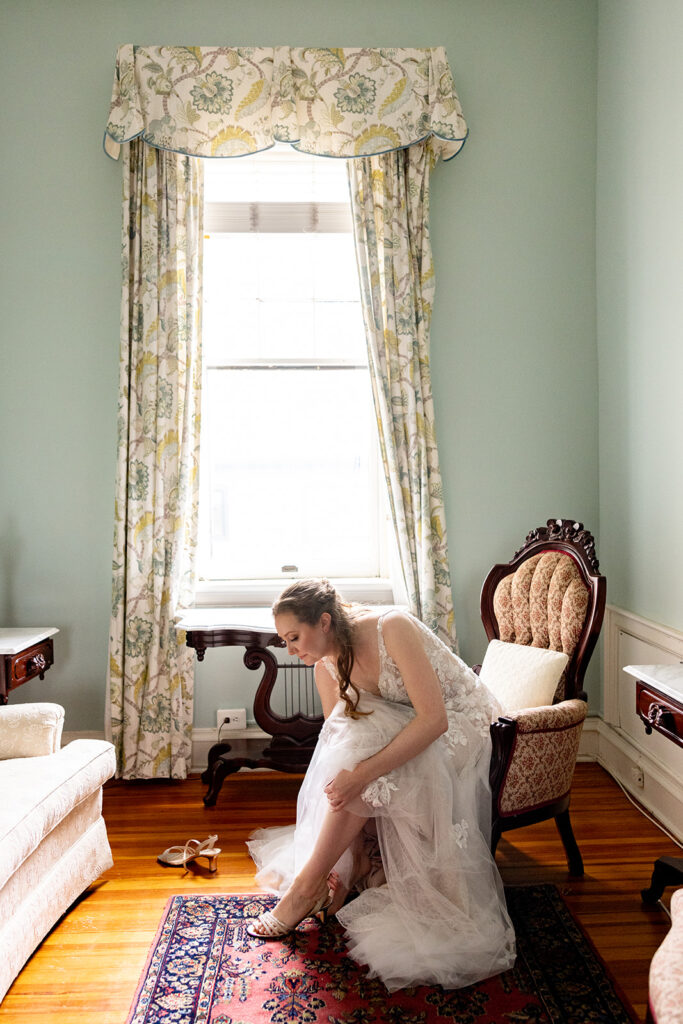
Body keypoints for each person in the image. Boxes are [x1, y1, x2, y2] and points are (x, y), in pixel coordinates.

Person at [246, 578, 516, 992]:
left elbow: (435, 720)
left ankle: (306, 889)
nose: (292, 650)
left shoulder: (392, 627)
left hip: (464, 726)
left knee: (365, 767)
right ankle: (347, 866)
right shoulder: (325, 668)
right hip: (408, 725)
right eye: (284, 641)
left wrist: (363, 773)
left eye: (294, 637)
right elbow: (343, 746)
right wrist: (351, 823)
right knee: (354, 755)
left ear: (323, 621)